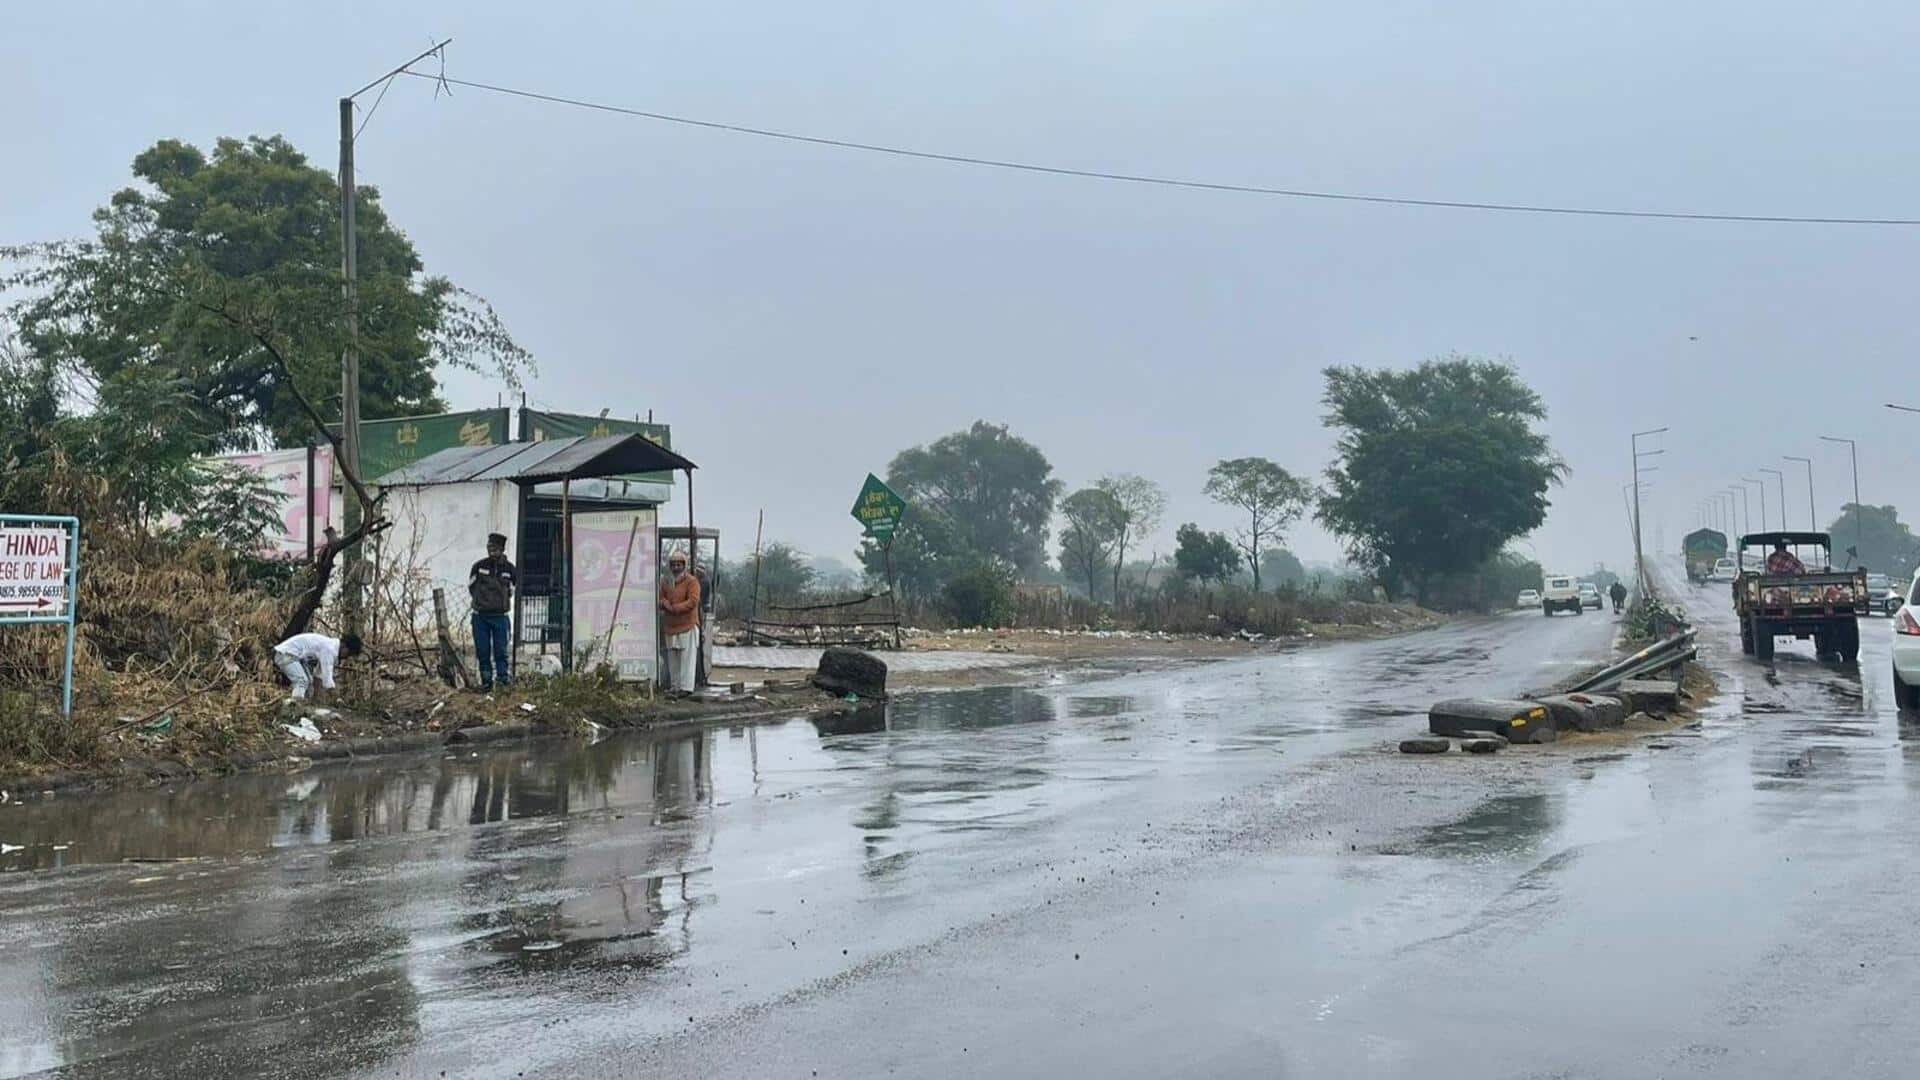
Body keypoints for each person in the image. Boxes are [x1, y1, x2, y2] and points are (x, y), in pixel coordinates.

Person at [468, 532, 516, 691]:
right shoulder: (479, 566)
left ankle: (502, 681)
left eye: (494, 548)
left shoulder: (510, 569)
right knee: (482, 650)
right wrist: (481, 601)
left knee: (501, 651)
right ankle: (486, 682)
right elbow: (471, 586)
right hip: (480, 617)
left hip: (500, 618)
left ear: (502, 549)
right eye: (489, 547)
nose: (491, 551)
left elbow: (513, 589)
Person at [273, 631, 361, 701]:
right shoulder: (329, 649)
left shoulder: (329, 646)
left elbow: (319, 676)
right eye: (349, 653)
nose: (346, 657)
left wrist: (316, 699)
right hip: (285, 654)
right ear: (344, 646)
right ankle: (294, 708)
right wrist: (336, 698)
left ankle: (300, 704)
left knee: (308, 681)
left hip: (293, 656)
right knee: (302, 681)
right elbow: (327, 679)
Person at [660, 550, 701, 694]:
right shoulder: (666, 581)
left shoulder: (692, 581)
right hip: (671, 626)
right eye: (673, 564)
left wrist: (675, 608)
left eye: (679, 564)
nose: (676, 567)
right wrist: (664, 603)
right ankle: (675, 686)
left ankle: (686, 688)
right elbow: (661, 597)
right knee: (673, 659)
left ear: (684, 566)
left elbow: (693, 601)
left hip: (687, 625)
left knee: (687, 659)